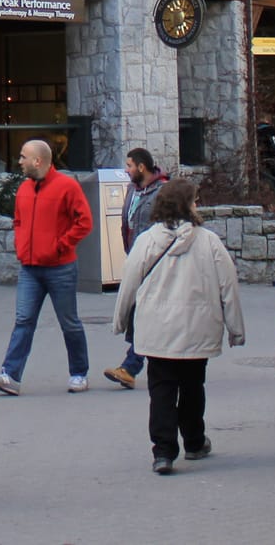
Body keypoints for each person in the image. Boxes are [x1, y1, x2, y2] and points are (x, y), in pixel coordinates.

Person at [111, 179, 245, 475]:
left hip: (156, 329)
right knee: (193, 386)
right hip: (198, 328)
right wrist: (236, 328)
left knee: (161, 390)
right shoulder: (208, 241)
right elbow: (228, 286)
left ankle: (163, 450)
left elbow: (129, 282)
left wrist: (119, 320)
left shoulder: (147, 240)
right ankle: (194, 441)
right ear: (189, 205)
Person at [0, 139, 94, 395]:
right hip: (30, 268)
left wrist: (60, 245)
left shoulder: (67, 186)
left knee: (69, 322)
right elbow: (19, 221)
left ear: (38, 161)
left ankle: (79, 373)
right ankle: (10, 375)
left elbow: (84, 222)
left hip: (60, 267)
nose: (19, 161)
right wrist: (21, 246)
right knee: (23, 320)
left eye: (23, 157)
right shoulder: (24, 189)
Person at [103, 147, 168, 389]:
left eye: (129, 165)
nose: (126, 170)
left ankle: (131, 366)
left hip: (156, 261)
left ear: (141, 167)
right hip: (136, 258)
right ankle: (160, 361)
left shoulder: (163, 191)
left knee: (146, 315)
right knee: (147, 316)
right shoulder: (133, 190)